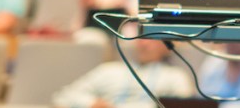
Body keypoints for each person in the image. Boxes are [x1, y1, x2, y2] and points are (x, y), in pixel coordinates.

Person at [51, 37, 194, 108]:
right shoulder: (110, 70)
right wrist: (91, 103)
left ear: (168, 46)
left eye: (152, 39)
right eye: (141, 38)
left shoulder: (175, 77)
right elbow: (64, 96)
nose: (144, 44)